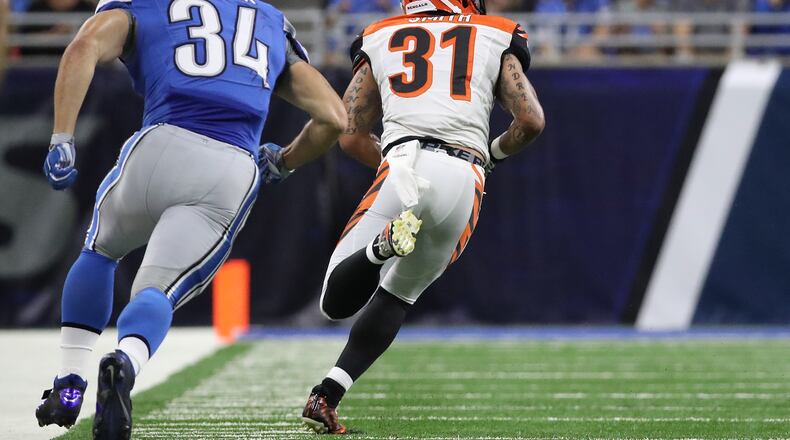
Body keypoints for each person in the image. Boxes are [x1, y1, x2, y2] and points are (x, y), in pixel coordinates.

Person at [33, 0, 345, 437]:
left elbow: (84, 45)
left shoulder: (147, 4)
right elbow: (334, 117)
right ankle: (126, 362)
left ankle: (69, 383)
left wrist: (62, 137)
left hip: (159, 146)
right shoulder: (270, 22)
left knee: (100, 251)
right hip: (229, 166)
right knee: (157, 290)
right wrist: (284, 162)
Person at [301, 0, 545, 434]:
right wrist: (490, 155)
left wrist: (396, 168)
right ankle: (327, 394)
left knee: (334, 301)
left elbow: (351, 137)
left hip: (404, 161)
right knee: (400, 295)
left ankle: (380, 249)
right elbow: (530, 121)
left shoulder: (380, 34)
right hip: (465, 176)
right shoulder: (497, 32)